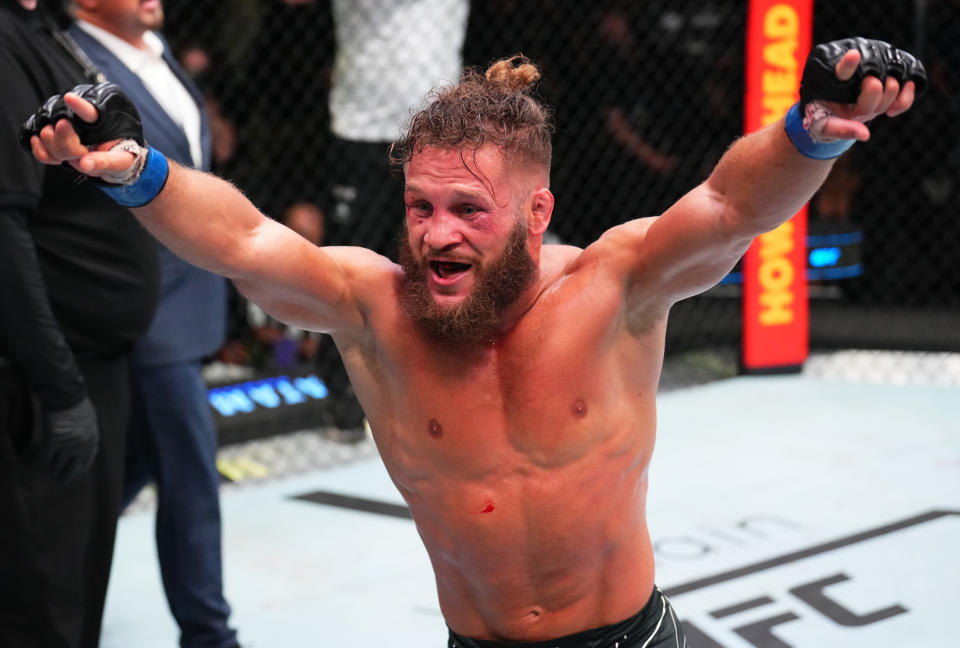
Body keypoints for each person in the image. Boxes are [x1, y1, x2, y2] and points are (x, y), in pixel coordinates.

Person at [24, 37, 924, 647]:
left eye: (467, 210)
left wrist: (811, 129)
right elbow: (247, 242)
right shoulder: (372, 309)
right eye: (420, 206)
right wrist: (136, 171)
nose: (435, 234)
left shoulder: (612, 287)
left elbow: (728, 208)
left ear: (537, 215)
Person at [64, 1, 238, 647]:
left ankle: (46, 573)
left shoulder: (155, 49)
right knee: (189, 467)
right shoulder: (75, 59)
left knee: (133, 463)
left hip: (188, 289)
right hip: (144, 297)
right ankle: (210, 634)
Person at [0, 1, 159, 646]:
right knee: (45, 607)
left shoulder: (47, 28)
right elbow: (3, 230)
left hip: (95, 358)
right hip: (44, 374)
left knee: (78, 591)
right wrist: (61, 391)